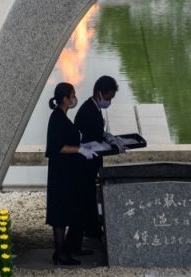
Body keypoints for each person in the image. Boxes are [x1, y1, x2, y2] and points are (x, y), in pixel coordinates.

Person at [45, 82, 98, 266]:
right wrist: (80, 150)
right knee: (59, 212)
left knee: (69, 208)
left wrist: (84, 145)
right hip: (60, 173)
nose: (75, 98)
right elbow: (57, 147)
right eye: (72, 95)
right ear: (65, 99)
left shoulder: (62, 116)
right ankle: (60, 253)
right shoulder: (57, 118)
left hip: (68, 172)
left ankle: (70, 248)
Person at [74, 75, 123, 242]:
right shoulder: (87, 110)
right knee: (87, 196)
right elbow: (87, 139)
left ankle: (92, 228)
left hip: (92, 161)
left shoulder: (95, 108)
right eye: (108, 98)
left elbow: (98, 133)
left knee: (90, 194)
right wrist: (108, 145)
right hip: (85, 162)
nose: (109, 102)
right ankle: (90, 230)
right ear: (99, 94)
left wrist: (109, 138)